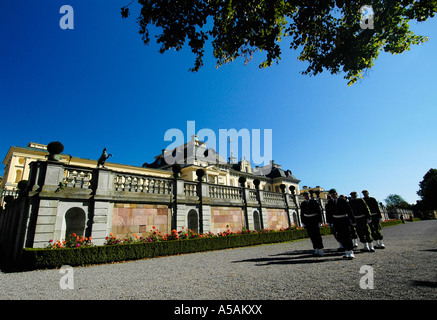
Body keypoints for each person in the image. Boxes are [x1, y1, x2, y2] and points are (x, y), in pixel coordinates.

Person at [325, 189, 356, 259]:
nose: (332, 195)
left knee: (347, 235)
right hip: (336, 221)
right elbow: (328, 214)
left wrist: (353, 220)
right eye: (331, 194)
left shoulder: (343, 201)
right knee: (341, 236)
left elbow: (349, 211)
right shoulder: (329, 203)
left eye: (333, 194)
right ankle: (346, 251)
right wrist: (330, 221)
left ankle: (351, 251)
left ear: (336, 193)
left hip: (344, 219)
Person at [300, 191, 324, 256]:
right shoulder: (303, 203)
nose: (306, 197)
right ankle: (316, 249)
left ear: (309, 196)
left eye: (307, 195)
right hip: (308, 221)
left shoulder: (314, 202)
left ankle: (321, 249)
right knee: (311, 236)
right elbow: (302, 214)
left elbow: (319, 212)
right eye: (304, 196)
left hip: (314, 220)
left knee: (317, 236)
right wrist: (303, 222)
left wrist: (320, 221)